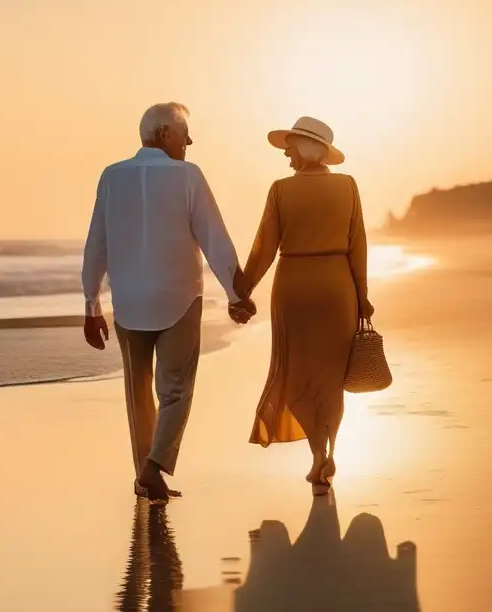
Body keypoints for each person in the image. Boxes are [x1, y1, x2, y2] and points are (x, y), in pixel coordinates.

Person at [82, 102, 256, 502]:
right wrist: (236, 295)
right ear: (164, 134)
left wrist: (91, 304)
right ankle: (153, 468)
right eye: (185, 133)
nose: (189, 141)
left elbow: (97, 243)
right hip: (178, 297)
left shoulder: (111, 177)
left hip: (127, 302)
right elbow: (214, 237)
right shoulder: (188, 176)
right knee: (176, 389)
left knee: (137, 391)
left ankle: (145, 476)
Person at [232, 117, 373, 495]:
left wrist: (241, 290)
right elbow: (357, 244)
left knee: (295, 374)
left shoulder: (280, 191)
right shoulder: (348, 186)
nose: (286, 155)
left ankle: (316, 455)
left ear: (309, 148)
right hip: (336, 288)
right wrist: (363, 297)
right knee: (330, 380)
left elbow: (263, 248)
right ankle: (328, 452)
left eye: (289, 147)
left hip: (293, 286)